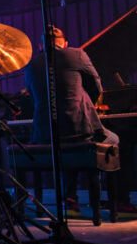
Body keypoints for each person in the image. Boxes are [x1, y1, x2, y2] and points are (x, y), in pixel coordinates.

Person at [24, 25, 128, 215]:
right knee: (115, 139)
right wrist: (88, 104)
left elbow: (33, 98)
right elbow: (96, 86)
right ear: (64, 44)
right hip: (78, 128)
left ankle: (70, 198)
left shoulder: (31, 65)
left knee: (66, 142)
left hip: (45, 134)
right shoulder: (77, 55)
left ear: (40, 46)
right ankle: (120, 202)